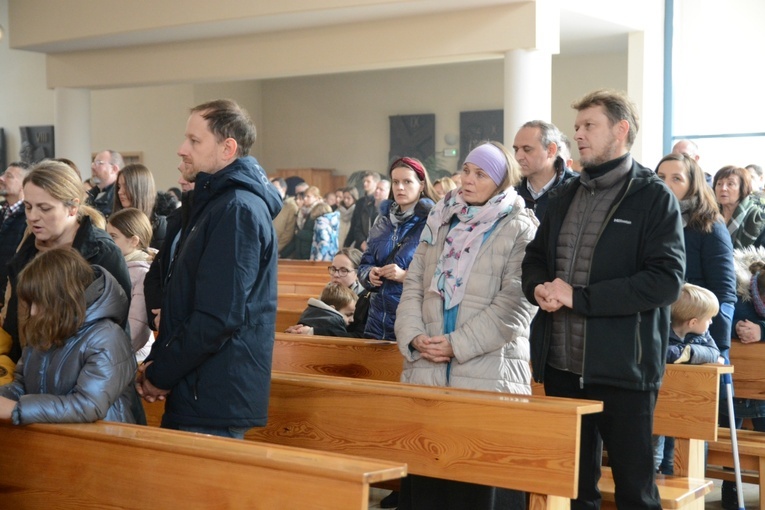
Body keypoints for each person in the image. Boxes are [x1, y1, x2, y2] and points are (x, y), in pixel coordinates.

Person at [522, 89, 685, 510]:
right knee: (575, 491)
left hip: (623, 370)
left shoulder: (653, 197)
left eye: (588, 126)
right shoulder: (564, 195)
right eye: (576, 127)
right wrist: (537, 286)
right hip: (561, 366)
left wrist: (579, 297)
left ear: (621, 130)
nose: (579, 134)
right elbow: (535, 258)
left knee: (635, 492)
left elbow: (664, 281)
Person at [395, 141, 538, 510]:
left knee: (478, 486)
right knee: (428, 480)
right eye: (466, 170)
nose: (468, 180)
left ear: (502, 179)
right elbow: (413, 284)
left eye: (481, 174)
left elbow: (516, 304)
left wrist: (457, 344)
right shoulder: (442, 218)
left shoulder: (520, 227)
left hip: (487, 369)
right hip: (428, 365)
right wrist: (414, 337)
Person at [135, 99, 282, 440]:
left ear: (227, 148)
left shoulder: (236, 210)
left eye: (194, 141)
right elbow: (181, 297)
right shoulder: (213, 204)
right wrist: (159, 362)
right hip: (198, 385)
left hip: (214, 393)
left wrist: (162, 374)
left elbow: (218, 315)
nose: (181, 149)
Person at [1, 160, 132, 385]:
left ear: (73, 207)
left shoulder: (100, 252)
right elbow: (15, 321)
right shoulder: (28, 248)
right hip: (30, 375)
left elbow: (111, 330)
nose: (32, 217)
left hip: (86, 380)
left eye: (45, 208)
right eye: (28, 206)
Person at [654, 152, 737, 476]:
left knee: (686, 429)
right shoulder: (651, 220)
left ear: (693, 186)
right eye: (660, 176)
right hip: (658, 332)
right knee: (655, 426)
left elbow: (725, 292)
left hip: (696, 333)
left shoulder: (709, 226)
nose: (666, 184)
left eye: (676, 178)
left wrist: (717, 348)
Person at [0, 248, 143, 425]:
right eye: (30, 303)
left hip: (99, 443)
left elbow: (88, 405)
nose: (33, 312)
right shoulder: (45, 328)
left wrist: (17, 409)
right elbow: (22, 385)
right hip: (53, 438)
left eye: (40, 302)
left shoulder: (106, 337)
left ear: (64, 299)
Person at [358, 158, 437, 341]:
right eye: (395, 182)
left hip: (414, 320)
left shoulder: (434, 222)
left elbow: (443, 273)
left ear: (421, 185)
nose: (400, 187)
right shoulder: (382, 222)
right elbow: (364, 263)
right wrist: (370, 274)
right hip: (377, 320)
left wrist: (405, 276)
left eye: (407, 181)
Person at [721, 246, 765, 508]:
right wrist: (737, 327)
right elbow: (719, 314)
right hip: (734, 384)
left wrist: (761, 330)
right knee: (729, 439)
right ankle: (730, 489)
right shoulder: (738, 286)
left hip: (762, 390)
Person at [106, 208, 156, 363]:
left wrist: (112, 354)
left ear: (134, 241)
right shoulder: (114, 264)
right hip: (110, 347)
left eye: (113, 237)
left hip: (130, 354)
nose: (107, 241)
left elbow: (137, 326)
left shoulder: (142, 273)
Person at [285, 247, 371, 337]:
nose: (336, 275)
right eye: (333, 269)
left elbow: (361, 336)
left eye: (343, 270)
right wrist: (298, 330)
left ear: (359, 274)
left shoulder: (367, 298)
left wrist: (313, 332)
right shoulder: (328, 292)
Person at [513, 120, 577, 220]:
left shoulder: (575, 189)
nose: (518, 157)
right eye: (516, 150)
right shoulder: (508, 189)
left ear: (551, 150)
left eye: (527, 149)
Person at [111, 163, 167, 250]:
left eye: (125, 186)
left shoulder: (160, 226)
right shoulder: (114, 222)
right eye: (119, 187)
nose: (120, 192)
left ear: (139, 188)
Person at [0, 162, 31, 311]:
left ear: (22, 186)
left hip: (12, 296)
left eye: (9, 176)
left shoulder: (28, 217)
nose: (1, 178)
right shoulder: (2, 212)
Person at [714, 165, 765, 249]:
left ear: (743, 189)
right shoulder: (708, 216)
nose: (723, 188)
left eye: (730, 184)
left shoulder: (759, 219)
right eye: (719, 184)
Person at [292, 282, 358, 336]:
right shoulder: (333, 321)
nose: (352, 320)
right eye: (348, 314)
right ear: (333, 309)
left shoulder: (310, 311)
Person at [281, 186, 322, 259]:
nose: (305, 199)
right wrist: (283, 254)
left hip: (311, 253)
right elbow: (295, 239)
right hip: (300, 252)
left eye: (308, 197)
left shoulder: (319, 212)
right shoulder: (302, 212)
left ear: (316, 198)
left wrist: (299, 233)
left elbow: (317, 235)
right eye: (305, 196)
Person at [344, 171, 381, 250]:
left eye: (368, 181)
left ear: (376, 183)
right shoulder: (360, 202)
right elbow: (355, 225)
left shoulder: (381, 202)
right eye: (364, 181)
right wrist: (346, 245)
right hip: (361, 244)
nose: (365, 184)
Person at [88, 149, 125, 218]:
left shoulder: (119, 198)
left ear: (114, 169)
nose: (93, 167)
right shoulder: (91, 194)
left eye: (99, 163)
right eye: (93, 163)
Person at [270, 177, 300, 254]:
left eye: (275, 187)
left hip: (279, 250)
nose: (272, 190)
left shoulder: (291, 206)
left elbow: (288, 234)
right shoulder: (269, 202)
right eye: (270, 187)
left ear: (283, 189)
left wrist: (274, 250)